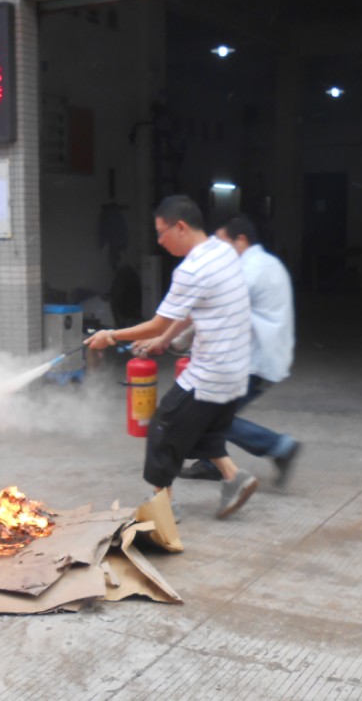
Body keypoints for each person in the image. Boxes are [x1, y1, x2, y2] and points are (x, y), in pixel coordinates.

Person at [85, 196, 258, 519]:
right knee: (200, 428)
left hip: (210, 371)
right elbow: (192, 309)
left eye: (161, 233)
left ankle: (161, 505)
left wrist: (111, 336)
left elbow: (158, 322)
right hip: (238, 369)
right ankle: (234, 478)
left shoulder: (190, 269)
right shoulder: (223, 251)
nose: (160, 242)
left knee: (163, 427)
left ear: (180, 227)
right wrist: (164, 341)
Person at [144, 213, 301, 487]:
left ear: (241, 240)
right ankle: (215, 464)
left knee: (209, 417)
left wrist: (170, 339)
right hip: (268, 355)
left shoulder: (246, 270)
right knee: (213, 415)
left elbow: (208, 306)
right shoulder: (271, 263)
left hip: (249, 359)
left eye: (222, 242)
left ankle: (279, 447)